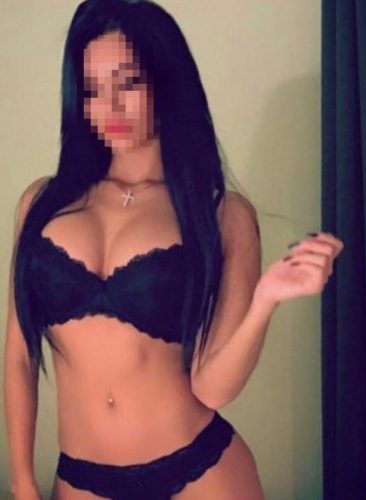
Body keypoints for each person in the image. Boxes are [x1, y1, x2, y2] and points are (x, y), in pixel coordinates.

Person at [3, 1, 344, 499]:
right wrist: (22, 482)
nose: (109, 107)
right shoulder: (41, 203)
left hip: (201, 475)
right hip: (81, 481)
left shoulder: (221, 215)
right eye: (92, 90)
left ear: (165, 83)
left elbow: (212, 387)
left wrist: (264, 300)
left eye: (128, 83)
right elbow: (18, 355)